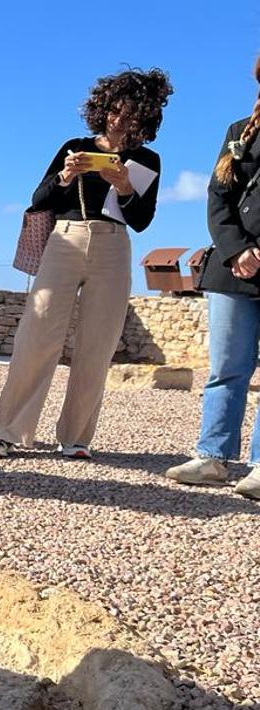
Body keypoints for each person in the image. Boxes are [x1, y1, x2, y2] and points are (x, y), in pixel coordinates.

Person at [0, 69, 172, 460]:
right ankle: (6, 431)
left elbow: (142, 220)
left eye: (132, 114)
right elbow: (39, 198)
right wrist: (66, 175)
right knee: (36, 335)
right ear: (103, 108)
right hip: (65, 239)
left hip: (114, 246)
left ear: (146, 118)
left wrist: (123, 185)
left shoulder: (147, 160)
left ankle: (76, 438)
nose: (120, 120)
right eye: (115, 110)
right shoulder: (76, 145)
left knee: (98, 344)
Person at [165, 58, 260, 500]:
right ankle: (213, 457)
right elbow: (219, 195)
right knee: (226, 368)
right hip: (234, 268)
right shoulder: (240, 131)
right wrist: (237, 249)